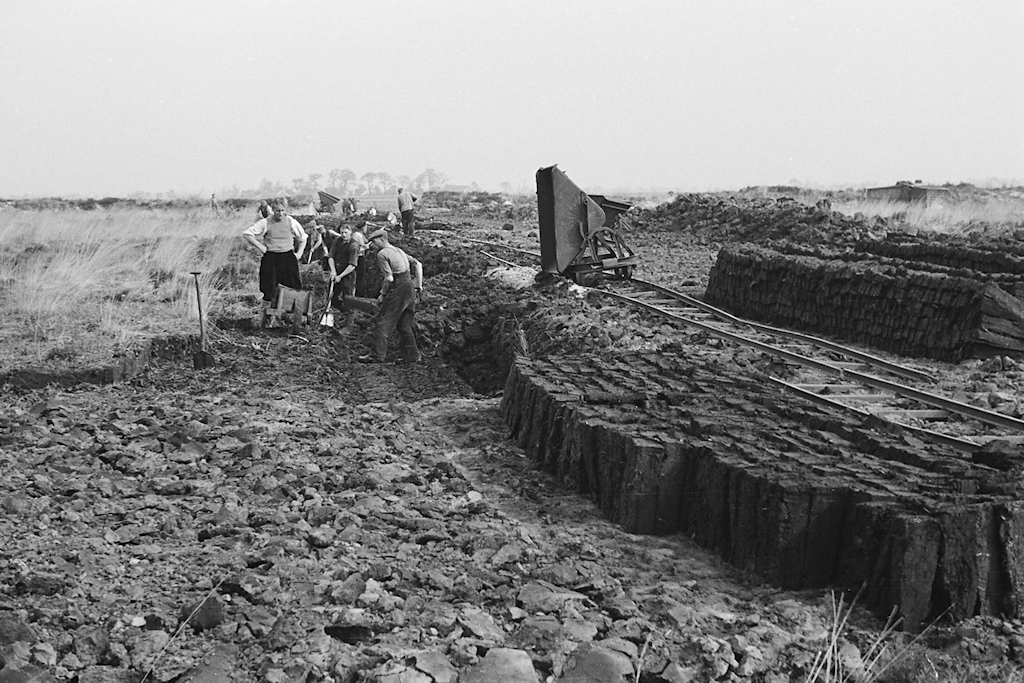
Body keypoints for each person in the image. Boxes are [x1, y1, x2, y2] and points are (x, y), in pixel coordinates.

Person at [359, 228, 422, 363]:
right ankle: (412, 356)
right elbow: (417, 264)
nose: (373, 246)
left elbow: (389, 279)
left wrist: (382, 295)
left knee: (382, 320)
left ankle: (377, 355)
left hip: (399, 288)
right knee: (404, 325)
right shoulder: (399, 250)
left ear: (382, 240)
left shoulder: (382, 254)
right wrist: (418, 286)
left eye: (374, 242)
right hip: (409, 286)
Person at [242, 198, 308, 311]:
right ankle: (268, 314)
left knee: (292, 284)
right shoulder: (265, 222)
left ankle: (289, 312)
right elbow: (247, 234)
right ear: (272, 210)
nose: (280, 213)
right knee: (269, 285)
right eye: (278, 211)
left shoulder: (291, 221)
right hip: (271, 257)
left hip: (287, 257)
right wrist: (260, 246)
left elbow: (303, 238)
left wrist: (299, 253)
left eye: (283, 210)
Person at [327, 225, 364, 334]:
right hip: (336, 272)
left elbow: (352, 265)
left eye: (346, 233)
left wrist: (340, 276)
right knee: (331, 297)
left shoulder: (353, 245)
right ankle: (344, 314)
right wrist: (333, 272)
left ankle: (348, 326)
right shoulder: (337, 241)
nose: (343, 235)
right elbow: (331, 257)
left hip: (347, 275)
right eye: (342, 232)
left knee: (348, 299)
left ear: (350, 233)